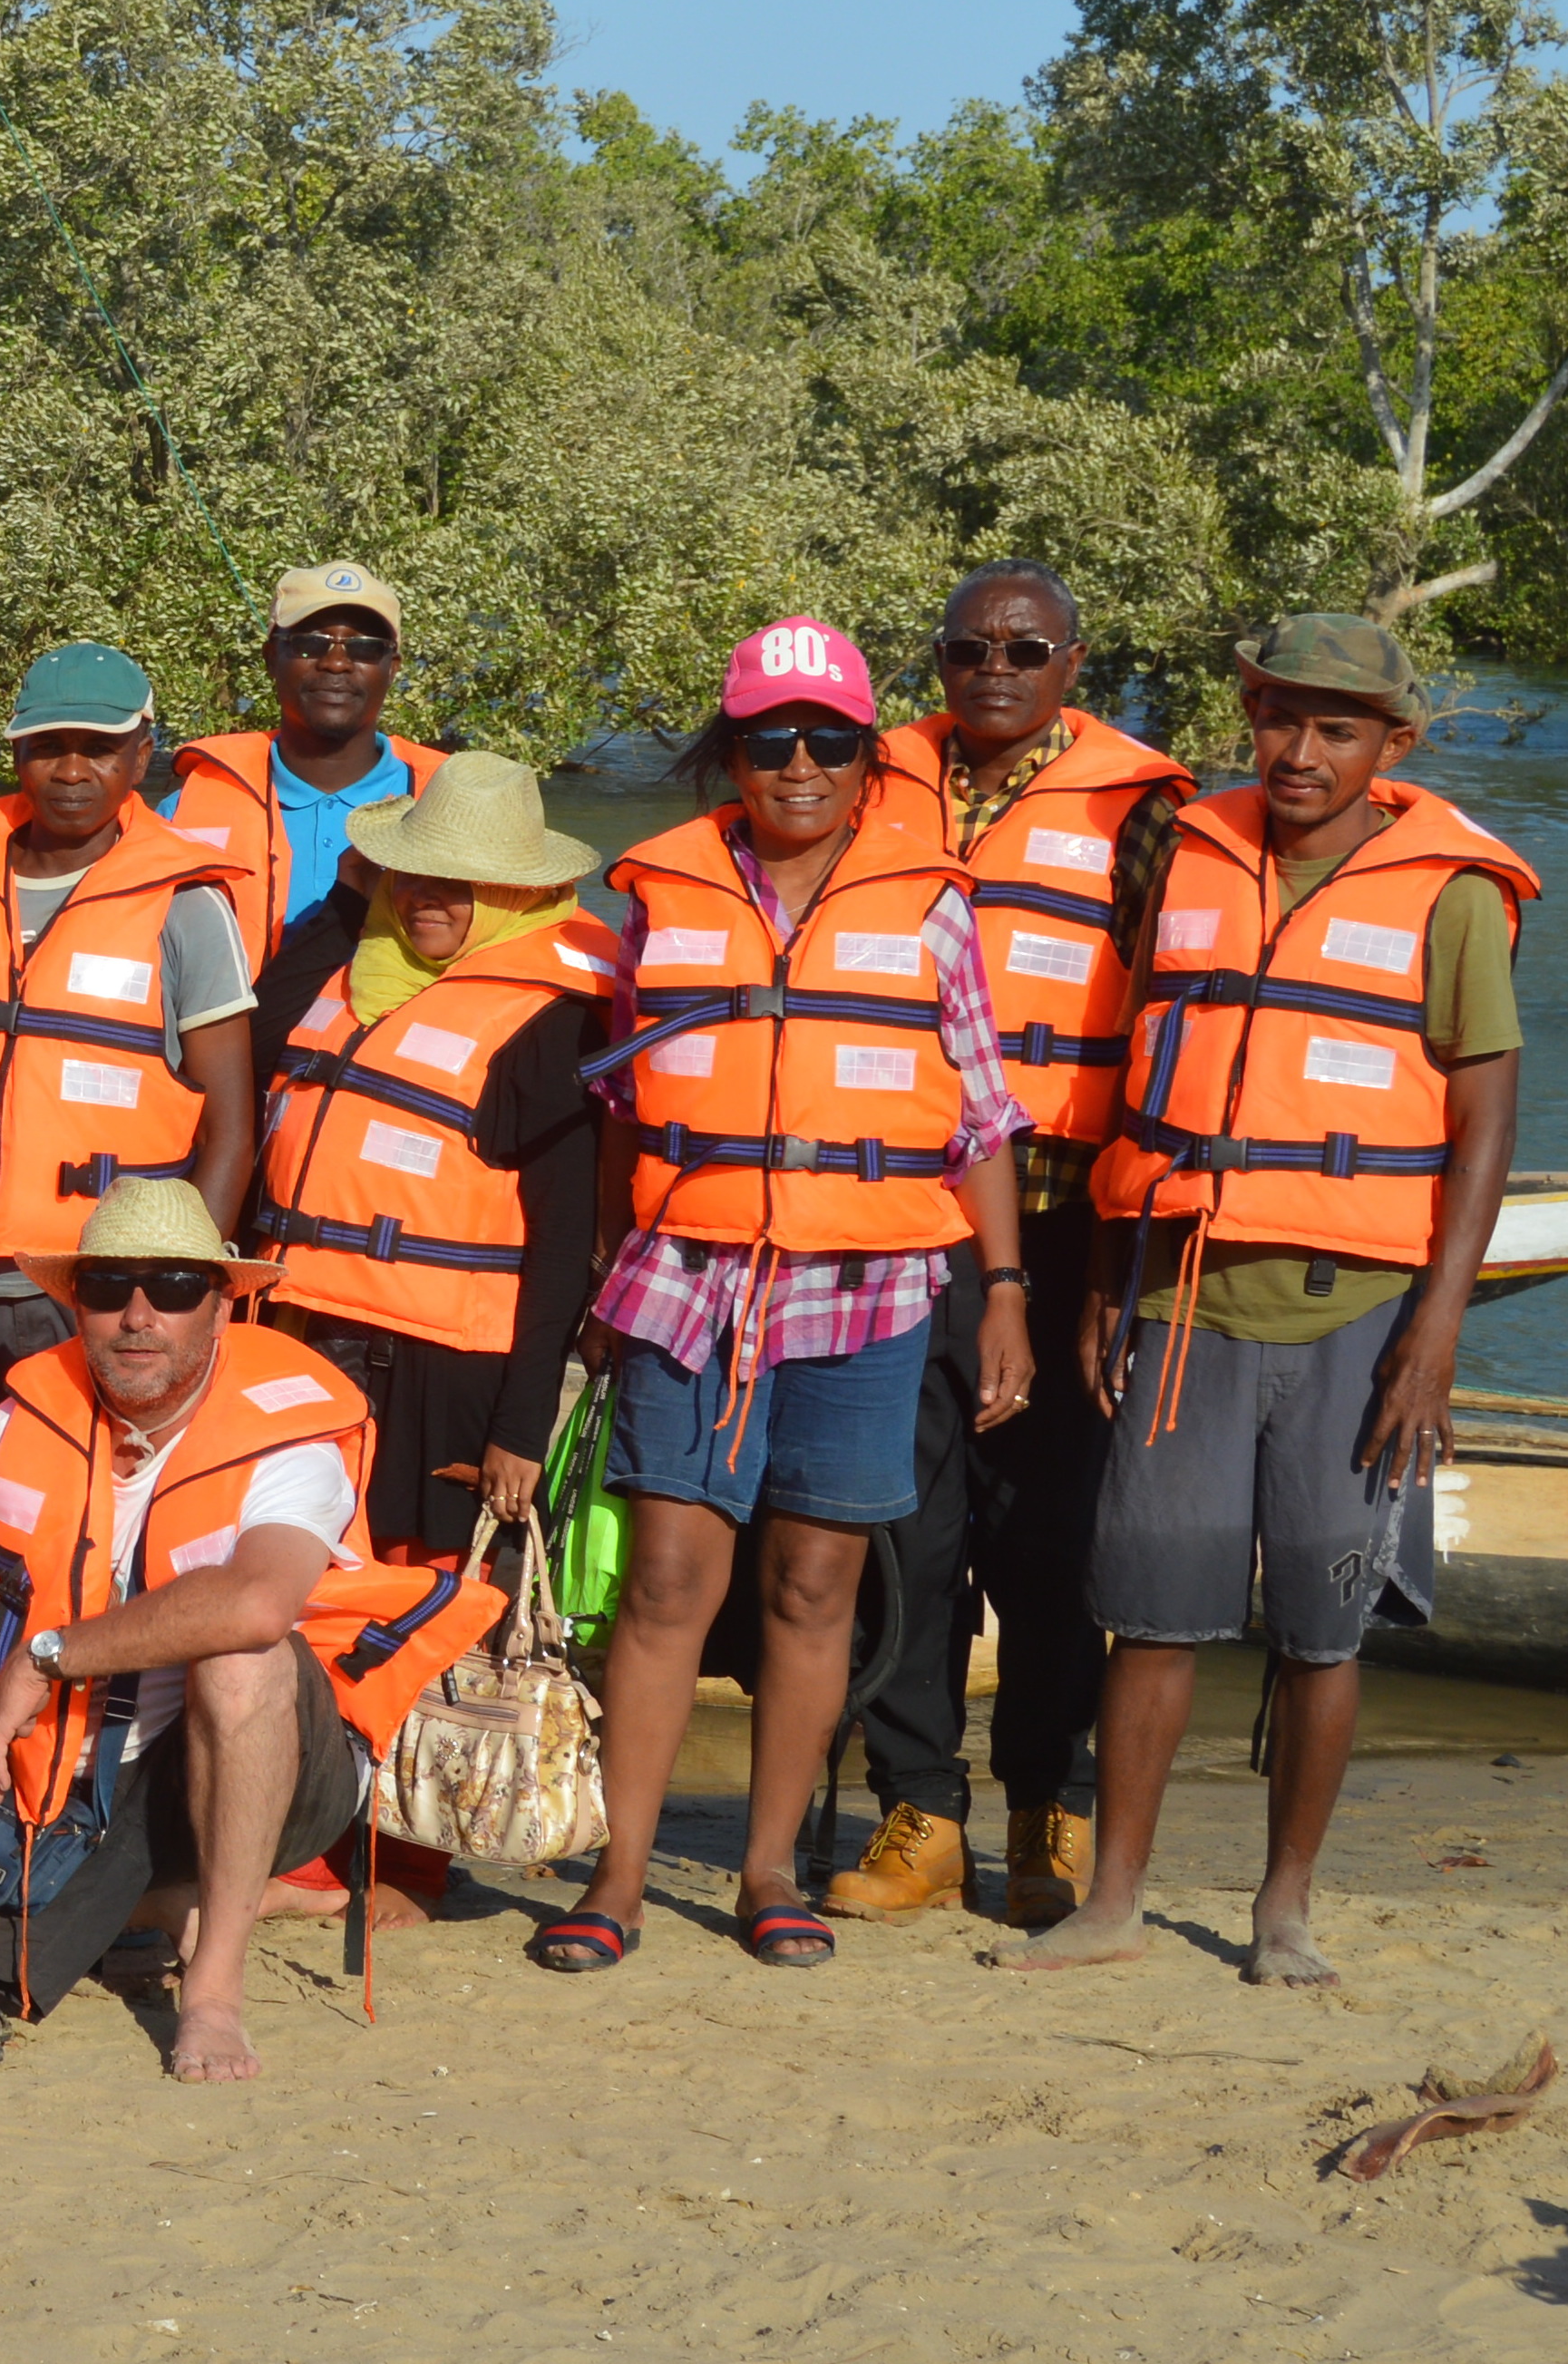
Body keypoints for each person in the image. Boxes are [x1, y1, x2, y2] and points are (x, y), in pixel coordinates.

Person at [1015, 612, 1531, 1989]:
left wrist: (1435, 1334)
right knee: (1154, 1610)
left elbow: (1484, 1122)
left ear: (1391, 746)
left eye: (1336, 728)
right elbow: (1145, 1066)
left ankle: (1281, 1910)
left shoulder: (1451, 894)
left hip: (1358, 1317)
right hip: (1179, 1296)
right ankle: (1114, 1900)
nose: (1298, 752)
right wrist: (1108, 1283)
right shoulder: (1186, 845)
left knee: (1322, 1623)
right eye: (1277, 720)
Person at [550, 617, 1037, 1979]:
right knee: (662, 1579)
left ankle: (769, 1871)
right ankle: (621, 1876)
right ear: (733, 755)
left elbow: (983, 1118)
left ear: (869, 758)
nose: (801, 767)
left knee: (817, 1583)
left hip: (871, 1283)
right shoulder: (656, 893)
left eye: (830, 741)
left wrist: (1000, 1289)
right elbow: (611, 1106)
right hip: (690, 1274)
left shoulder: (932, 904)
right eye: (772, 742)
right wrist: (601, 1268)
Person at [0, 1182, 501, 2083]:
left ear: (220, 1303)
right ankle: (177, 1902)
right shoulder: (13, 1424)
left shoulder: (291, 1436)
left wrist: (46, 1657)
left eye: (171, 1284)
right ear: (72, 1302)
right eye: (107, 1285)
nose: (137, 1312)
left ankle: (211, 1988)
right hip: (83, 1775)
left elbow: (253, 1604)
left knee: (237, 1660)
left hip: (282, 1761)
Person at [831, 560, 1190, 1926]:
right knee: (903, 1526)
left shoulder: (1142, 814)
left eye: (1024, 648)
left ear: (1071, 666)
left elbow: (1176, 1005)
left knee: (1050, 1531)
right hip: (891, 1215)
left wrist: (1125, 1253)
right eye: (968, 646)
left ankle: (1046, 1799)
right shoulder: (866, 776)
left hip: (1061, 1218)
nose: (994, 667)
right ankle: (918, 1811)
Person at [239, 751, 610, 1928]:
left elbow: (561, 1249)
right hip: (309, 1338)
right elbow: (253, 1047)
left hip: (453, 1367)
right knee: (309, 1588)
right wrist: (362, 881)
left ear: (518, 894)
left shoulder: (554, 1020)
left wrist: (518, 1431)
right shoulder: (350, 972)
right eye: (417, 873)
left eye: (464, 880)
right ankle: (307, 1832)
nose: (434, 898)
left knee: (428, 1608)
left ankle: (409, 1859)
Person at [0, 643, 263, 1396]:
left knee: (59, 1499)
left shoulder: (188, 908)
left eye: (100, 750)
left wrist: (184, 1289)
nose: (72, 772)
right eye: (48, 748)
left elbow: (230, 1128)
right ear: (16, 752)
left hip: (88, 1290)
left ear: (142, 755)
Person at [166, 562, 441, 938]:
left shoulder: (450, 803)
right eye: (310, 644)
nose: (336, 663)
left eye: (364, 648)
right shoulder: (180, 813)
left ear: (392, 668)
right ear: (270, 659)